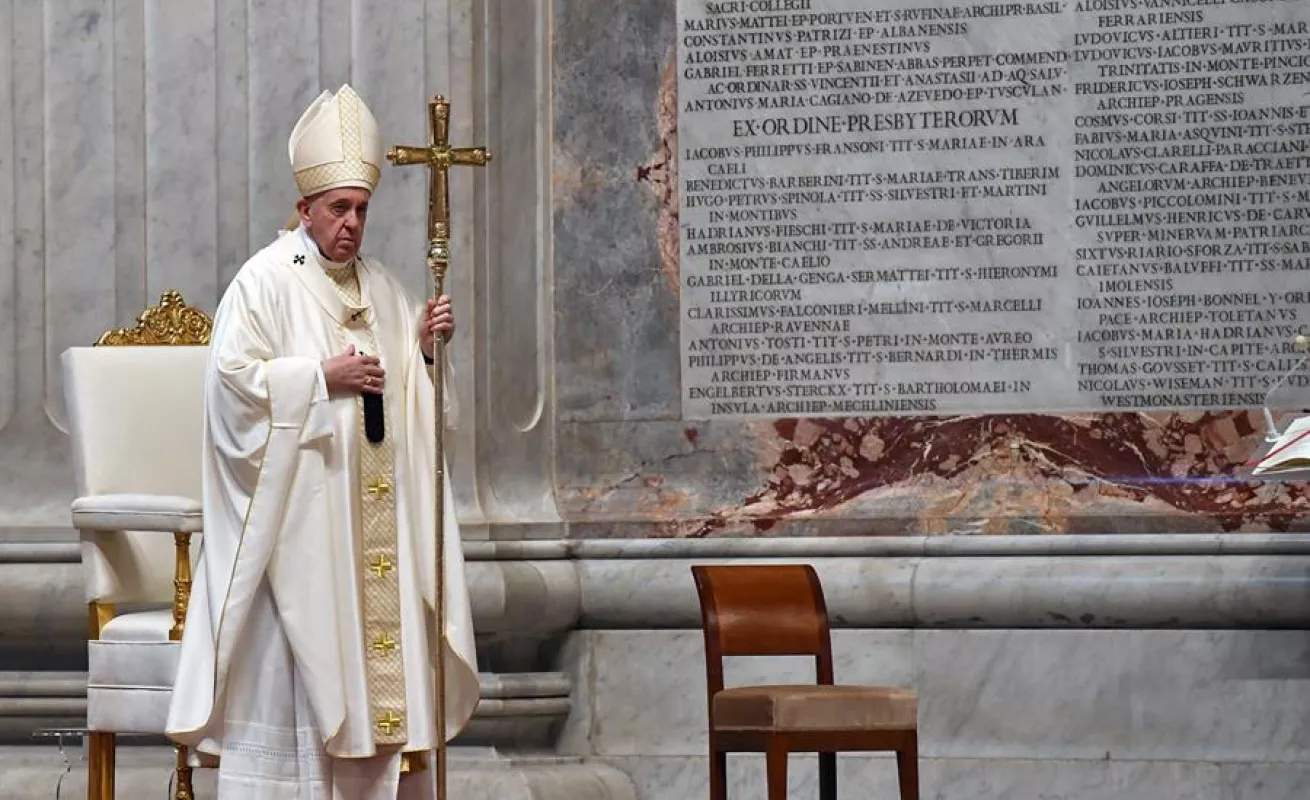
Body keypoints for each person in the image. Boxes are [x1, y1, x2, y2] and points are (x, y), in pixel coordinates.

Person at [166, 84, 479, 799]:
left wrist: (426, 353)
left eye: (362, 209)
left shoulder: (389, 288)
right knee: (301, 687)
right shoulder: (265, 283)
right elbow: (232, 389)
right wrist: (319, 377)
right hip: (303, 537)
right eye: (339, 208)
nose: (352, 223)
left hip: (373, 536)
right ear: (304, 208)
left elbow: (419, 410)